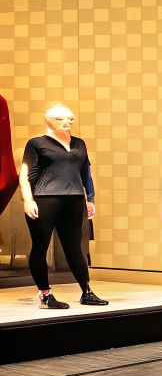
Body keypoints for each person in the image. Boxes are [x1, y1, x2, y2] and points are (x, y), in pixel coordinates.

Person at [19, 103, 108, 309]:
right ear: (49, 121)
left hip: (74, 199)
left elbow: (86, 172)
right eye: (61, 119)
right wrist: (28, 199)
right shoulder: (36, 143)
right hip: (45, 199)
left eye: (70, 118)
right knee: (40, 247)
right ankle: (45, 295)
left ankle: (86, 291)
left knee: (75, 248)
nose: (67, 122)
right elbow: (24, 174)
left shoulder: (79, 144)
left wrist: (89, 198)